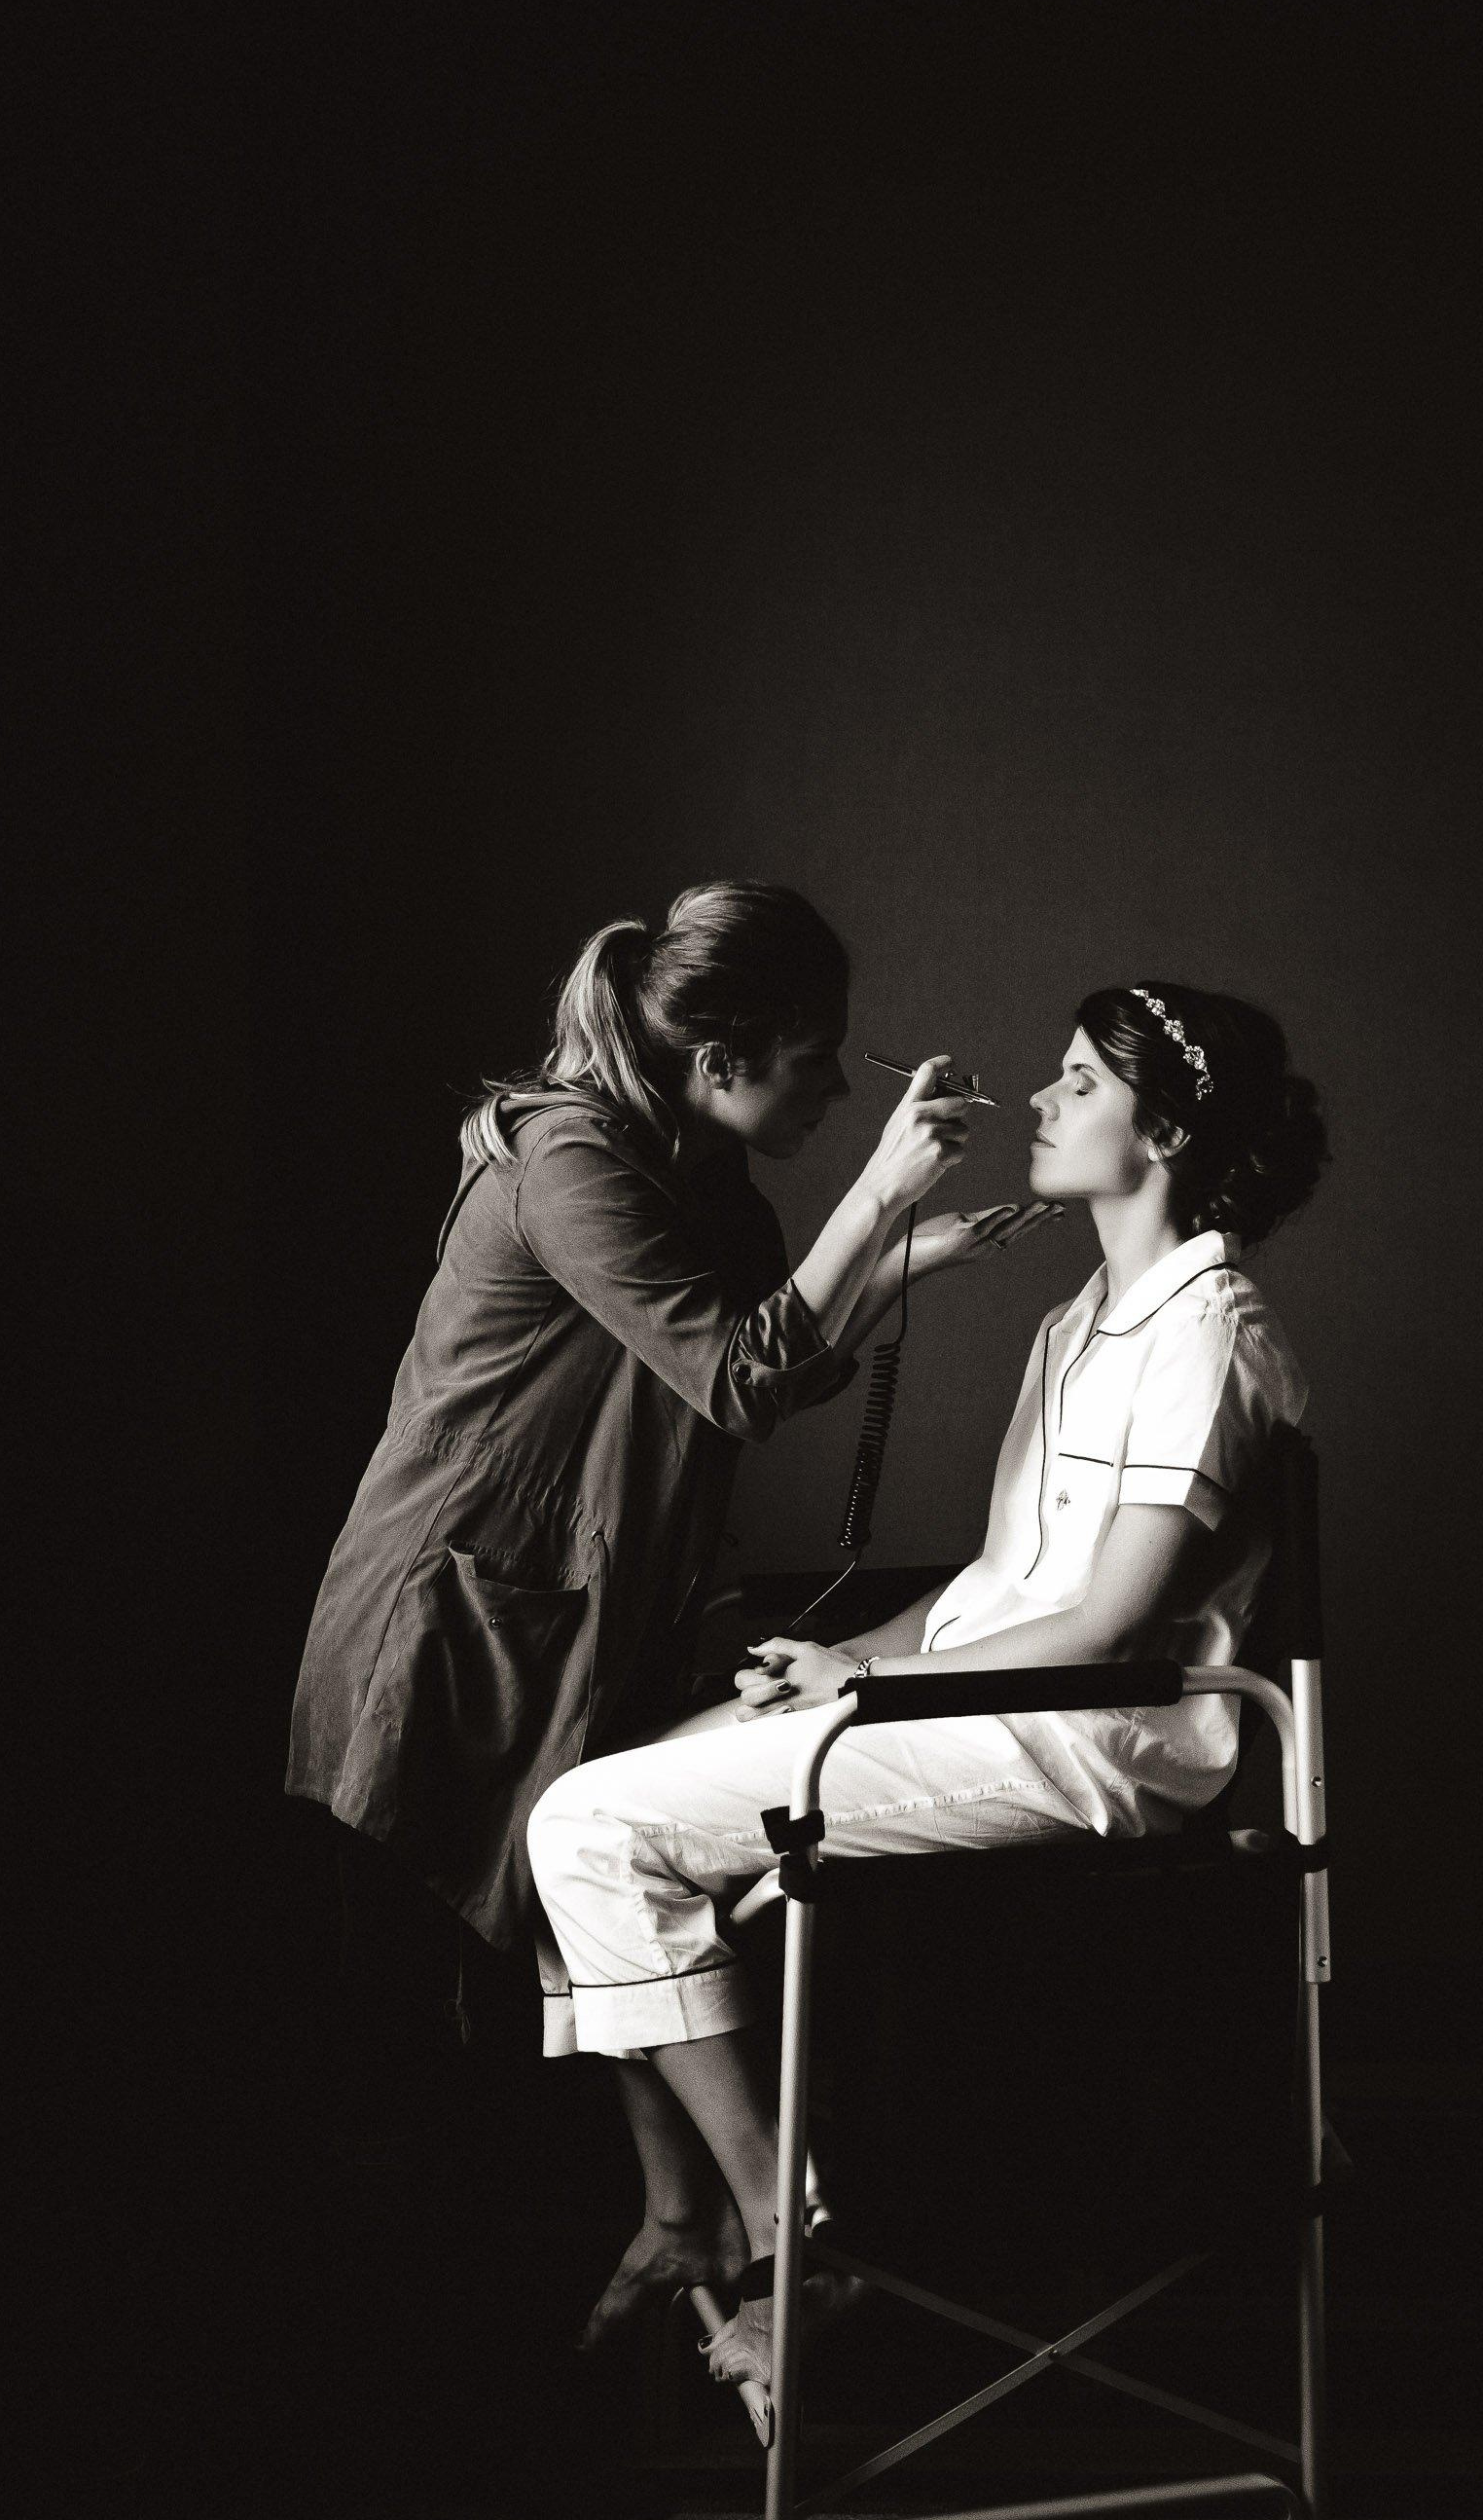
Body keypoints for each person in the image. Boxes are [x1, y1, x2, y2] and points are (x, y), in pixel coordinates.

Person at [524, 981, 1328, 2390]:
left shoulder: (1210, 1330)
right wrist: (854, 1662)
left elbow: (1104, 1627)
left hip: (1087, 1746)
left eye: (1079, 1083)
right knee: (576, 1805)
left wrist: (877, 1687)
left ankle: (788, 2230)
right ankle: (698, 2216)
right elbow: (1003, 1585)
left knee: (592, 1834)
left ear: (1170, 1130)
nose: (1041, 1100)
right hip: (987, 1702)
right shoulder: (1089, 1314)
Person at [286, 880, 1051, 2340]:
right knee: (458, 1967)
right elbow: (741, 1373)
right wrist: (885, 1192)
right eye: (818, 1054)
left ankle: (680, 2219)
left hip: (587, 1600)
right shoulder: (571, 1162)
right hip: (457, 1609)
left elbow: (780, 1360)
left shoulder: (705, 1182)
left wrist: (906, 1258)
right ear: (722, 1060)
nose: (837, 1082)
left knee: (604, 1894)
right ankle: (617, 2279)